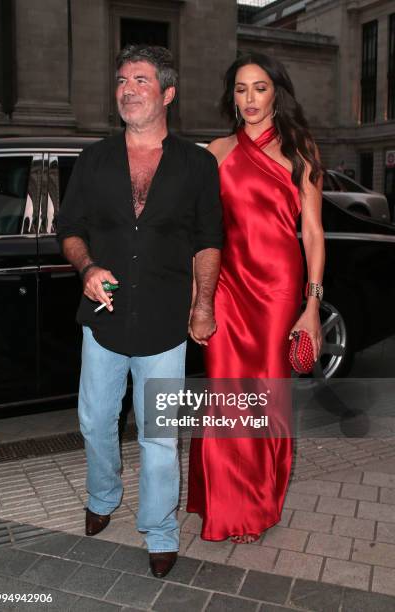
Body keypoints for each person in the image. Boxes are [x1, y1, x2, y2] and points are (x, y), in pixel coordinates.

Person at [57, 44, 222, 577]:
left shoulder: (196, 164)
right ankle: (103, 498)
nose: (128, 88)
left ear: (168, 93)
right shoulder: (93, 160)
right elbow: (71, 230)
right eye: (122, 79)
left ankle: (160, 529)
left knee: (159, 433)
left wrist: (202, 306)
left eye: (142, 80)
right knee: (95, 422)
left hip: (165, 324)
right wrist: (85, 269)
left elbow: (207, 241)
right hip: (102, 321)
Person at [187, 52, 325, 543]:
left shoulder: (301, 150)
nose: (249, 99)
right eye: (241, 89)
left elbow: (311, 234)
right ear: (232, 96)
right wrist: (197, 297)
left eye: (259, 88)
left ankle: (258, 503)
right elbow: (200, 230)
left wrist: (311, 305)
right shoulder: (217, 151)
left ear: (276, 93)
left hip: (278, 288)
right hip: (227, 285)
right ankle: (227, 505)